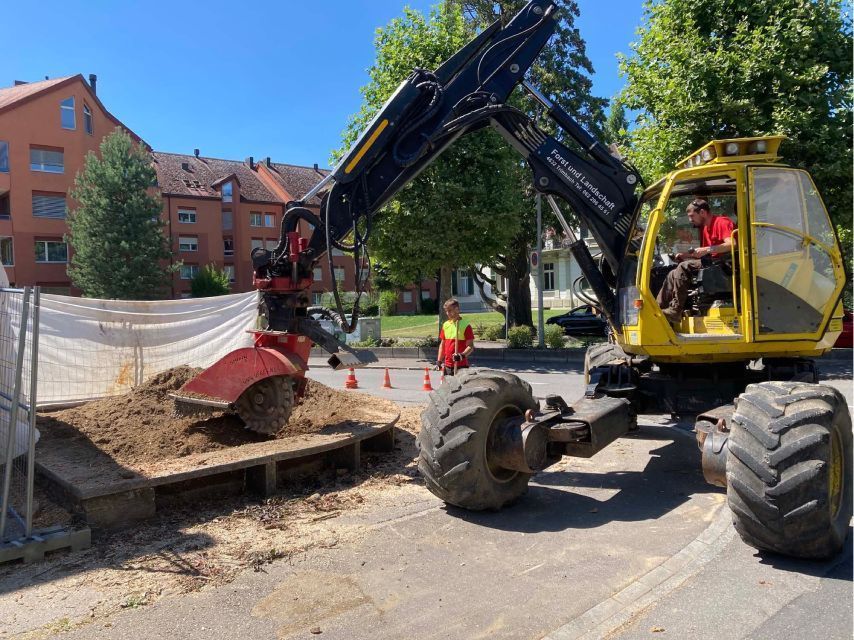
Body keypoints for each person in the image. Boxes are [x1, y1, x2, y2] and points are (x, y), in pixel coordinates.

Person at [656, 199, 734, 323]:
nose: (690, 220)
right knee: (672, 273)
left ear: (702, 212)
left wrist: (707, 249)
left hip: (724, 263)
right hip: (711, 262)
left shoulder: (722, 222)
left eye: (692, 216)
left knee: (683, 267)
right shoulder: (705, 228)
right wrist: (686, 255)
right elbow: (703, 253)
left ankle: (675, 310)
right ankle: (657, 309)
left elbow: (732, 244)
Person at [435, 298, 475, 375]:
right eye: (446, 311)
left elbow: (471, 346)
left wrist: (461, 356)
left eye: (450, 310)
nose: (447, 313)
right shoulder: (446, 325)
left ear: (457, 310)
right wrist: (439, 361)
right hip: (447, 366)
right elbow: (442, 345)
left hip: (461, 366)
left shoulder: (466, 325)